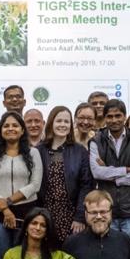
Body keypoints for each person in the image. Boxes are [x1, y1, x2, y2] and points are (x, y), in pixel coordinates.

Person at [89, 99, 130, 245]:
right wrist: (126, 170)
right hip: (106, 211)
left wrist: (114, 177)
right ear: (104, 118)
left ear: (124, 117)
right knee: (109, 256)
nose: (114, 120)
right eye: (109, 116)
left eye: (118, 116)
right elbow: (97, 172)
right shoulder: (96, 140)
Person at [0, 112, 44, 252]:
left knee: (21, 255)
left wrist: (9, 201)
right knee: (3, 254)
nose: (11, 128)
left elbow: (35, 185)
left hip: (27, 212)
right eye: (6, 126)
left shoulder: (33, 153)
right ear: (1, 130)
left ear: (22, 130)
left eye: (15, 125)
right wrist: (5, 209)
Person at [37, 106, 93, 247]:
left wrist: (80, 217)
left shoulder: (80, 151)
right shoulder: (39, 150)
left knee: (71, 256)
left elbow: (86, 185)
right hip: (44, 214)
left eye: (66, 122)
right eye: (59, 121)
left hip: (71, 216)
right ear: (51, 123)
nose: (62, 125)